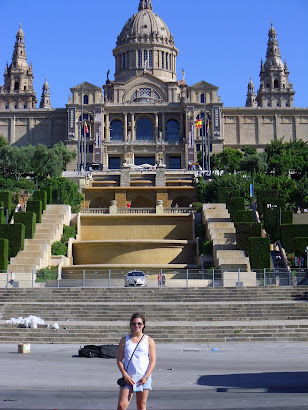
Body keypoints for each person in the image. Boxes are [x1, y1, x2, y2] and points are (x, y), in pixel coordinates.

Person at [117, 313, 156, 410]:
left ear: (143, 325)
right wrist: (125, 375)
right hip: (128, 377)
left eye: (139, 323)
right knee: (122, 406)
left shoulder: (149, 340)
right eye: (134, 324)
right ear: (130, 325)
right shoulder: (124, 340)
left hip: (143, 377)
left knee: (141, 405)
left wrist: (146, 376)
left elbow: (152, 360)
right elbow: (119, 360)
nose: (136, 326)